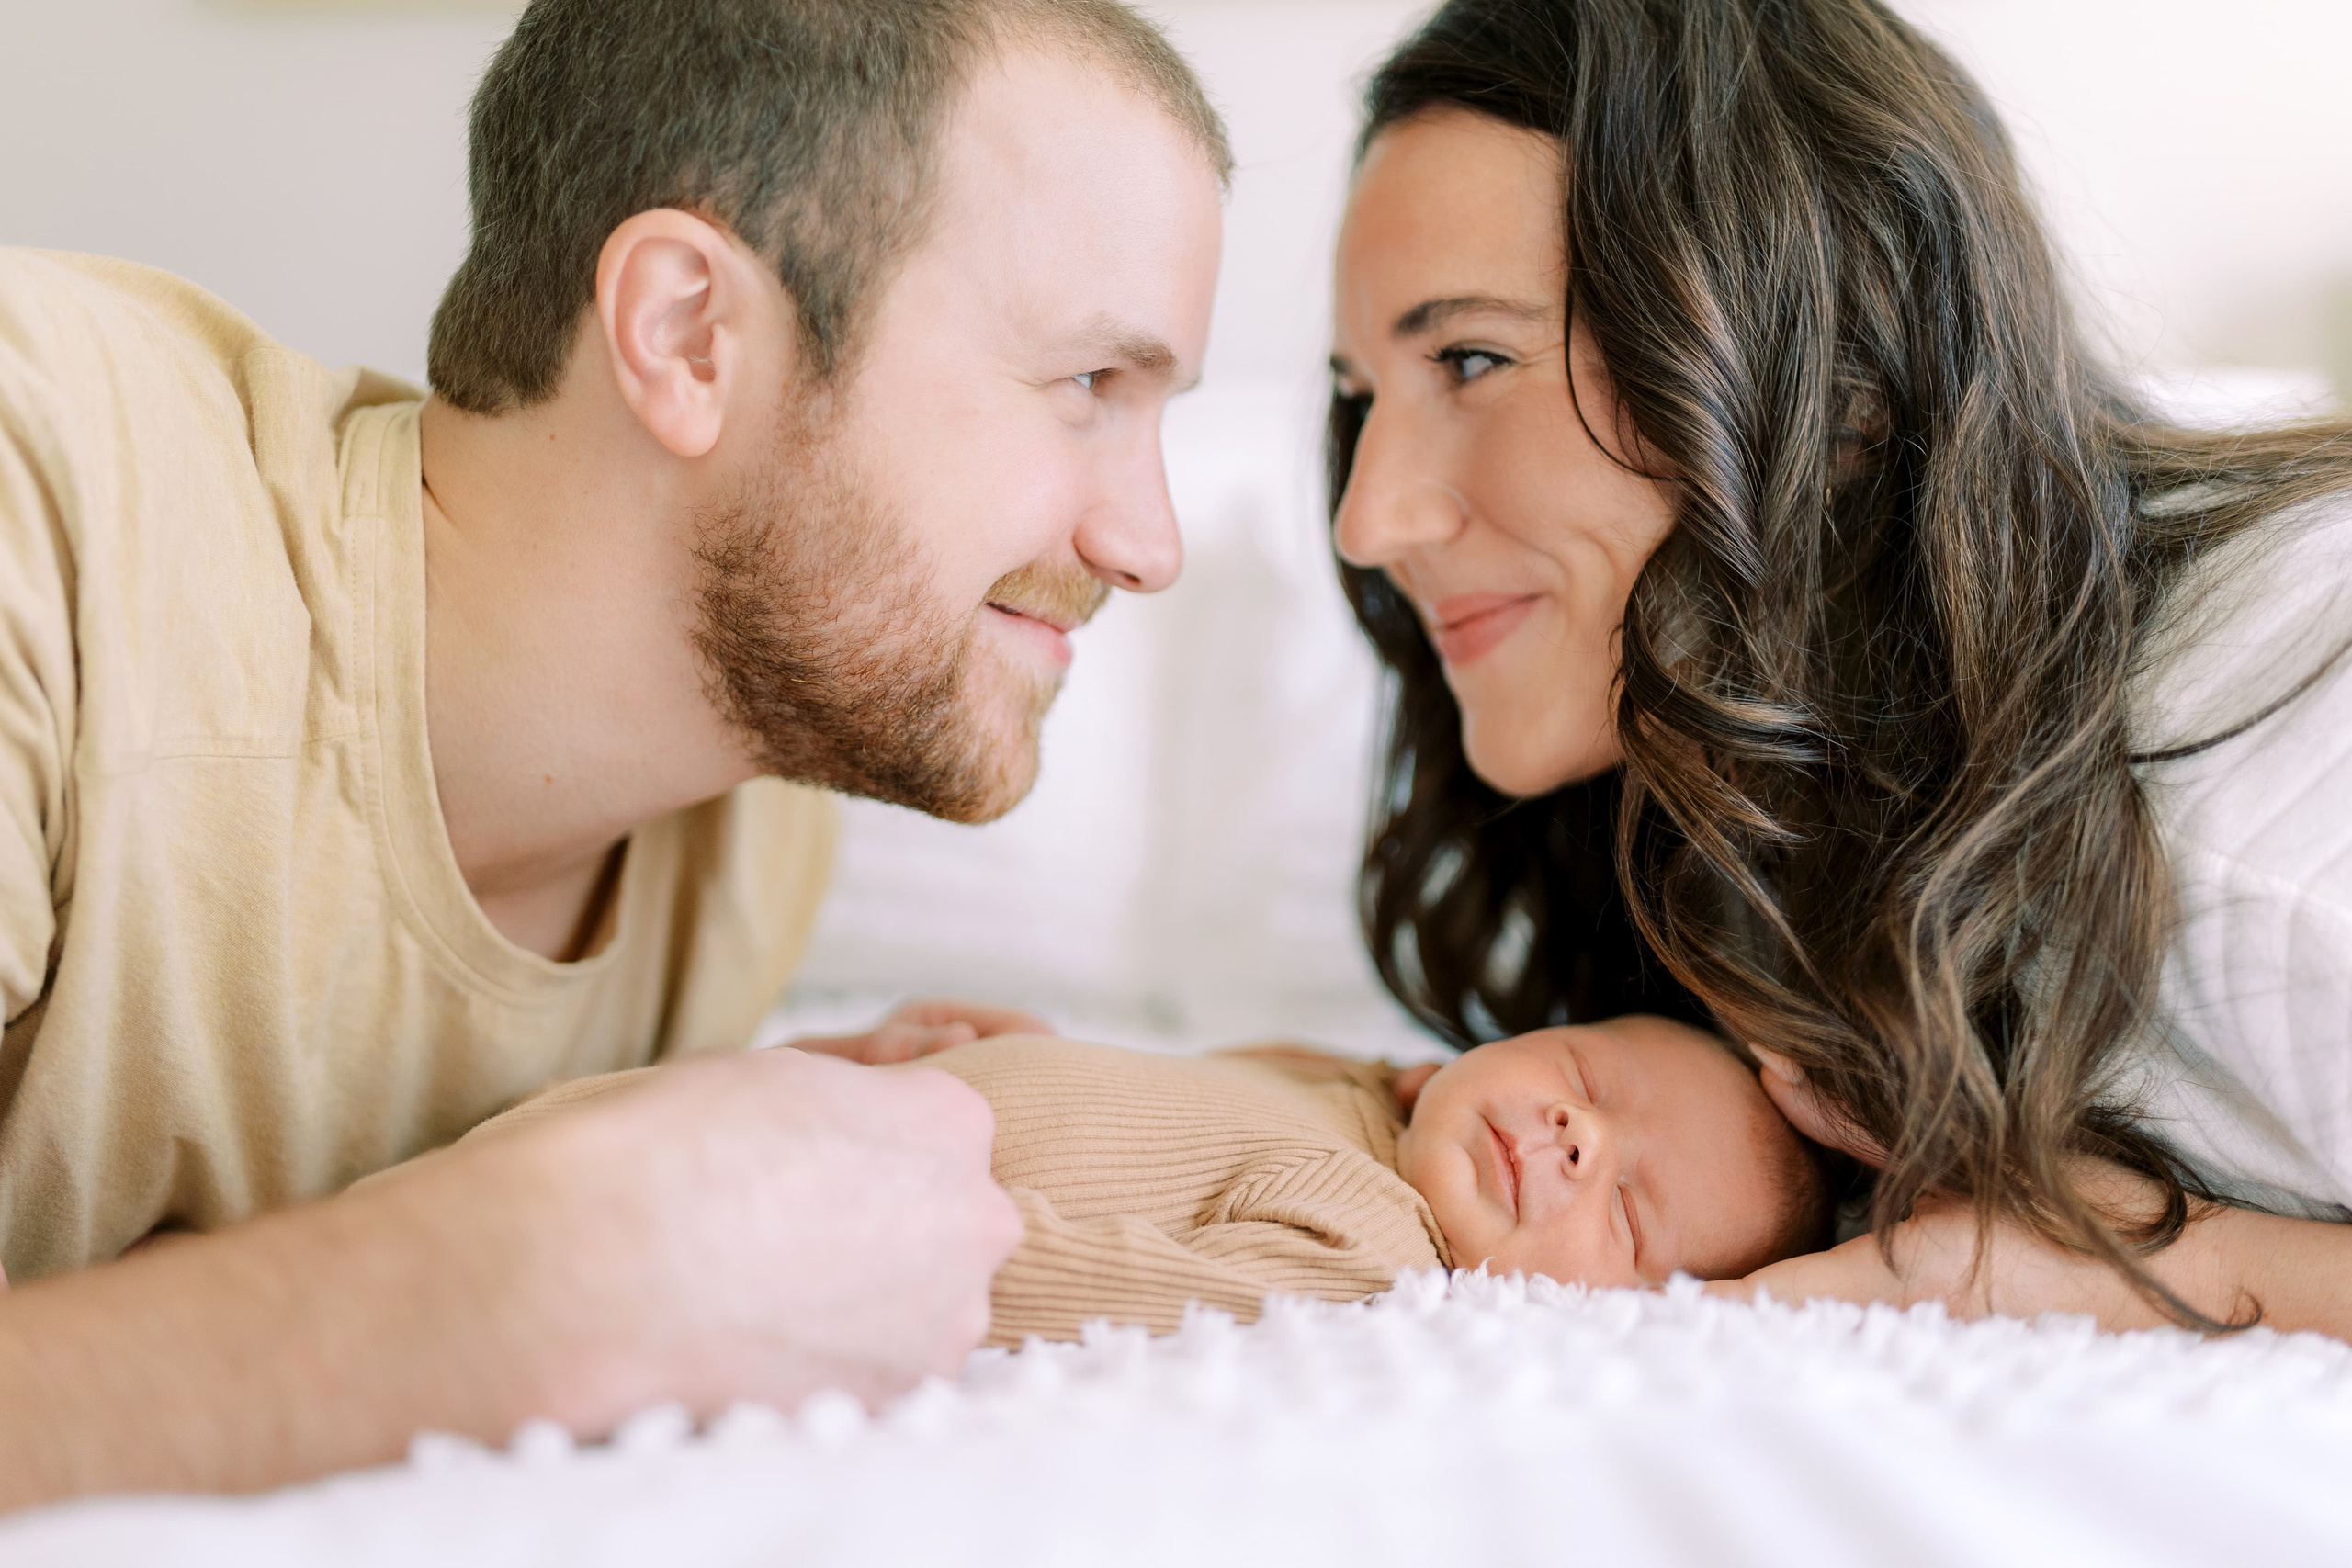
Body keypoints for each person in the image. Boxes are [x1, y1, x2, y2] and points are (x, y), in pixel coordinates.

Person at [0, 0, 1227, 1508]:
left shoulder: (750, 837)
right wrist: (528, 1283)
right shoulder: (41, 518)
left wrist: (676, 1173)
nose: (1150, 542)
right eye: (1090, 388)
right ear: (686, 334)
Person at [1325, 0, 2352, 1336]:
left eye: (1472, 357)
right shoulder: (1748, 835)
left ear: (1834, 382)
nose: (1367, 516)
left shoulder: (2258, 811)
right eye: (1360, 393)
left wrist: (2177, 1269)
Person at [481, 1015, 1832, 1343]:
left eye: (1629, 1207)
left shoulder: (1373, 1253)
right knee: (499, 1170)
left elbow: (1102, 1283)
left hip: (787, 1205)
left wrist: (867, 1233)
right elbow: (1164, 1091)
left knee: (507, 1244)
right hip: (770, 1109)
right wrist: (1018, 1044)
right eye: (1587, 1075)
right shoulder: (1354, 1091)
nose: (1578, 1139)